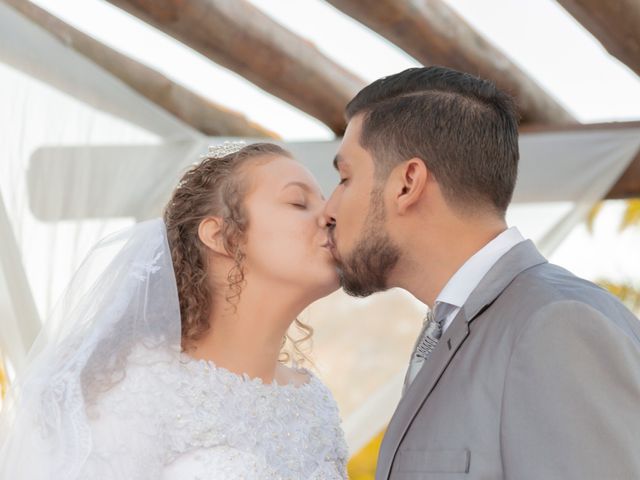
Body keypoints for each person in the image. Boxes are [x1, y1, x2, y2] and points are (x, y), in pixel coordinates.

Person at [323, 66, 640, 479]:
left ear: (407, 183)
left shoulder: (557, 326)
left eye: (344, 178)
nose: (328, 209)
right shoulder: (450, 327)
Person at [0, 142, 348, 479]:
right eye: (298, 202)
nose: (331, 215)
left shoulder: (314, 403)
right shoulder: (128, 383)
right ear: (222, 235)